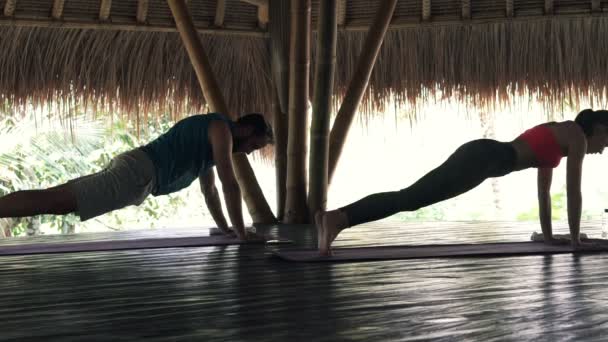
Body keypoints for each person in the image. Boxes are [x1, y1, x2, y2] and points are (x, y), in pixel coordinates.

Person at [316, 109, 608, 255]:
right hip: (484, 158)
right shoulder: (577, 136)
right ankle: (339, 218)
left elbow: (544, 195)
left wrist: (549, 238)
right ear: (599, 128)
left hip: (483, 156)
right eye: (606, 141)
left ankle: (336, 218)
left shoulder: (559, 138)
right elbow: (574, 192)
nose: (604, 149)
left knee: (411, 198)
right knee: (410, 198)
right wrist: (574, 242)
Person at [0, 112, 273, 241]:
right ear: (247, 129)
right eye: (254, 146)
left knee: (57, 201)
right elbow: (229, 184)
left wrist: (227, 229)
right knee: (57, 201)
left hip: (136, 170)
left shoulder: (214, 137)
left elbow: (210, 190)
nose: (249, 153)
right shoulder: (220, 130)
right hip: (137, 173)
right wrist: (242, 234)